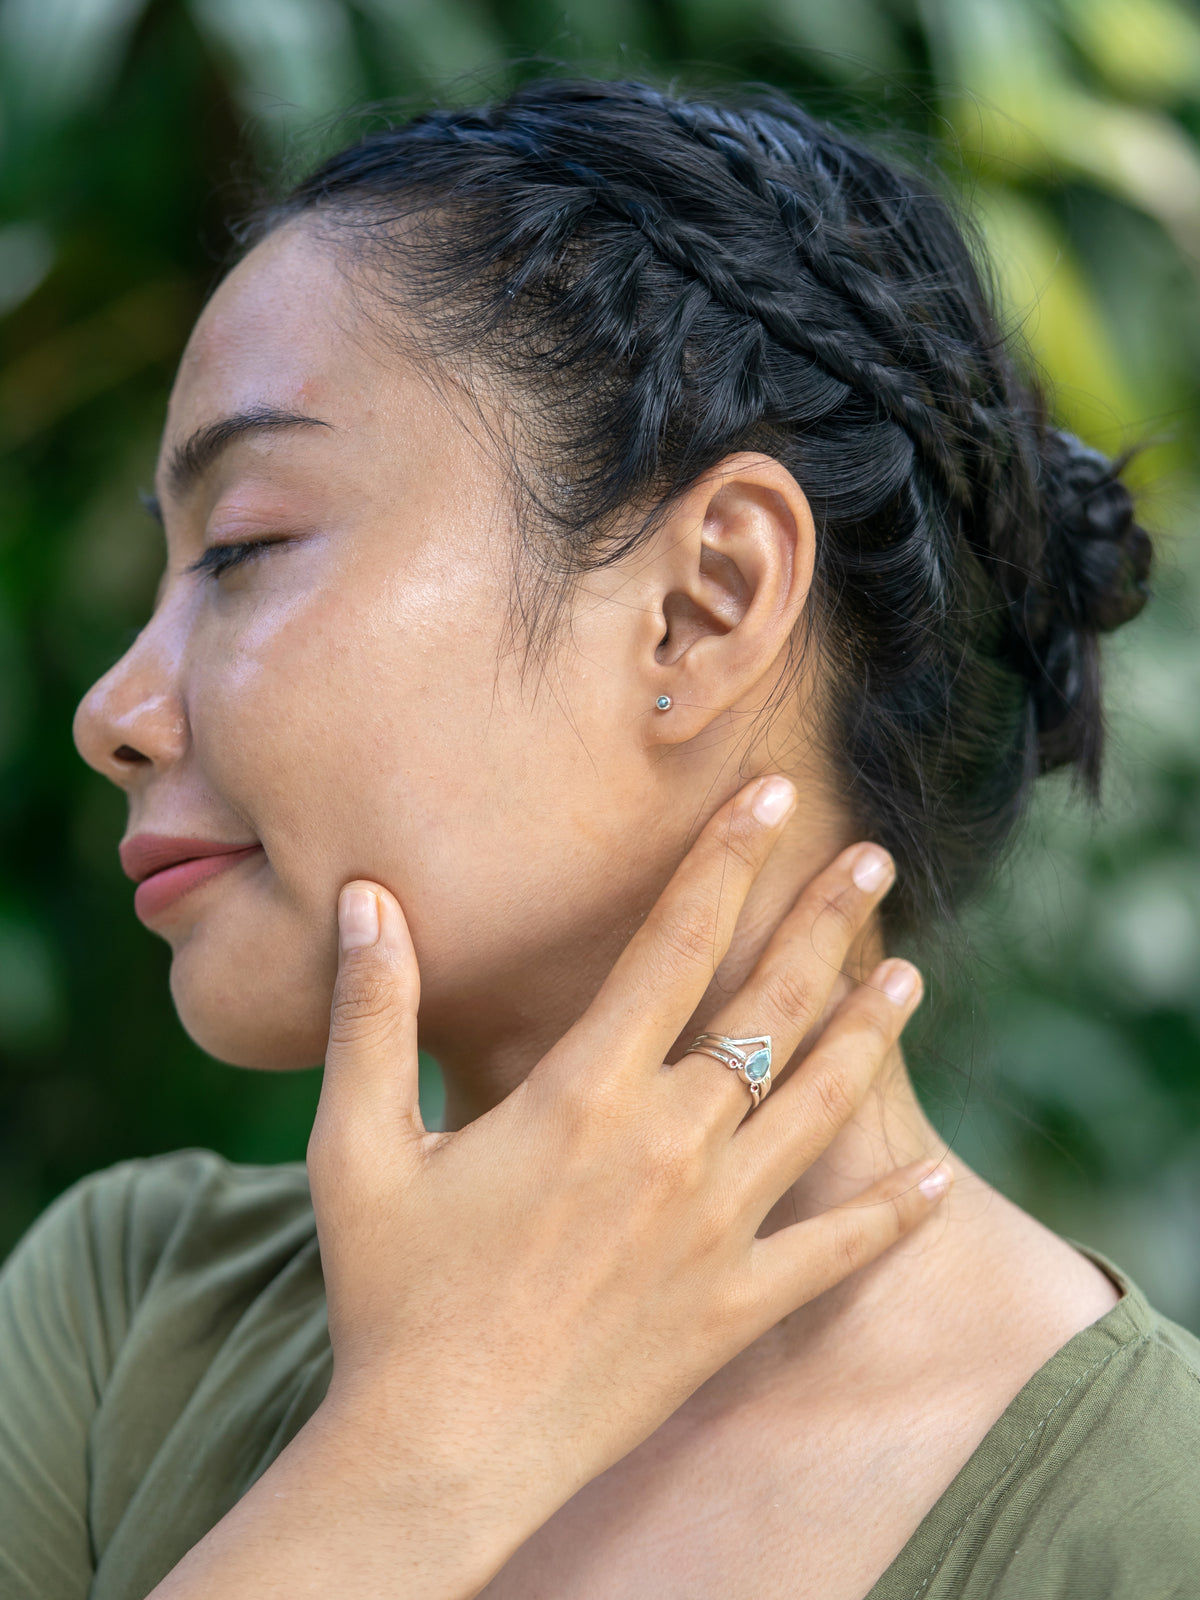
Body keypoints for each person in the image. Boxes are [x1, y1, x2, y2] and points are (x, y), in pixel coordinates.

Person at [0, 76, 1194, 1600]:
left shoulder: (1151, 1525)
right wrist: (429, 1449)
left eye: (243, 547)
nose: (115, 709)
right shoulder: (131, 1318)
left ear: (704, 603)